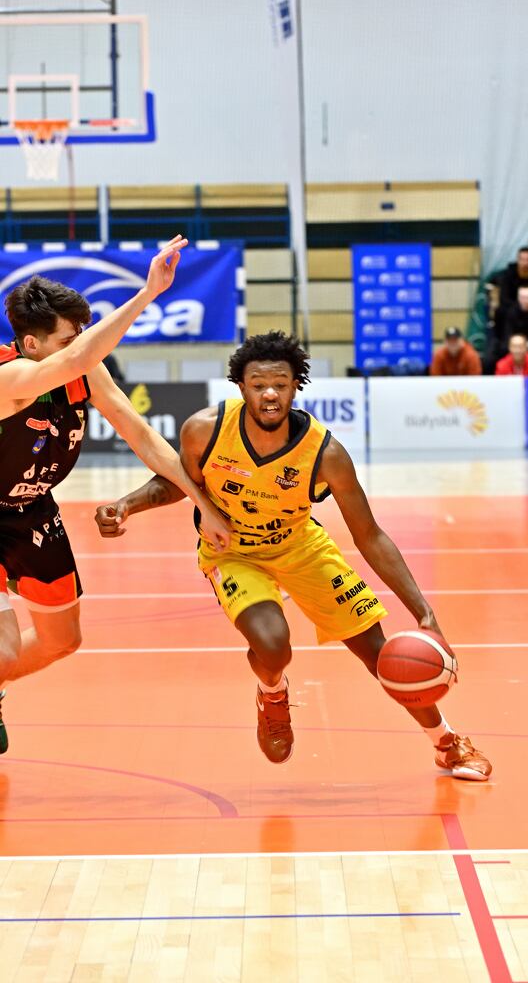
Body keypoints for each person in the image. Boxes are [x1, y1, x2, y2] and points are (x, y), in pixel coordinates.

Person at [95, 331, 492, 780]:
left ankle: (447, 743)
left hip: (301, 546)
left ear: (295, 387)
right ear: (241, 386)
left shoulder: (325, 453)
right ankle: (272, 694)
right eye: (258, 384)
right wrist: (126, 504)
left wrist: (423, 612)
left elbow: (369, 535)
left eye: (280, 384)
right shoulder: (204, 431)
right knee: (272, 645)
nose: (269, 394)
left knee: (380, 653)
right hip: (232, 553)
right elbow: (176, 483)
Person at [0, 236, 231, 754]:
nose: (82, 347)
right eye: (69, 340)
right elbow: (79, 357)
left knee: (63, 641)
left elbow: (143, 436)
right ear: (32, 344)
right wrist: (147, 294)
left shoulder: (86, 373)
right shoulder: (9, 377)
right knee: (4, 650)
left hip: (32, 511)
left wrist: (204, 506)